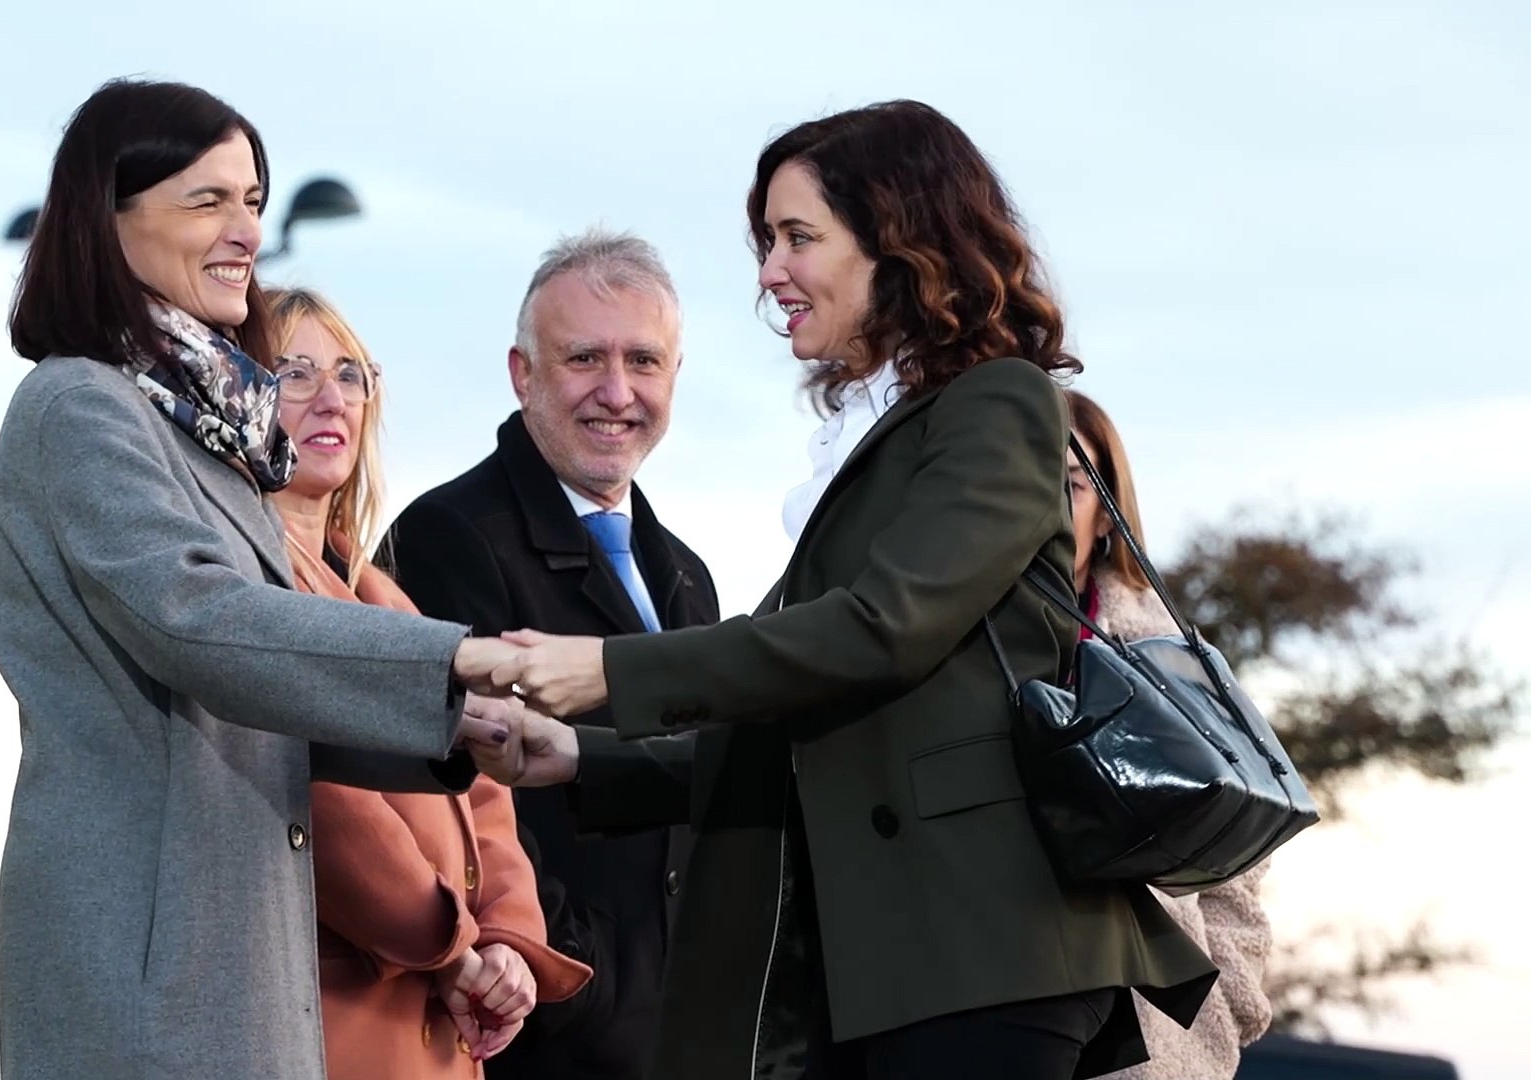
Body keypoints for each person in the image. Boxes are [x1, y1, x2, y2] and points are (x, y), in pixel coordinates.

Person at [468, 101, 1220, 1080]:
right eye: (765, 241)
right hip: (886, 966)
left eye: (796, 238)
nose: (769, 271)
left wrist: (606, 670)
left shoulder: (1001, 403)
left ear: (894, 239)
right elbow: (786, 715)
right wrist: (578, 758)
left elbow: (879, 632)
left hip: (984, 951)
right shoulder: (871, 442)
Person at [0, 78, 516, 1080]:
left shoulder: (218, 440)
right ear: (107, 221)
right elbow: (203, 622)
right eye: (209, 201)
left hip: (236, 956)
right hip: (153, 970)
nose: (247, 234)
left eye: (255, 202)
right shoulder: (77, 407)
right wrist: (463, 665)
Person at [385, 228, 721, 1080]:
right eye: (585, 359)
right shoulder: (447, 536)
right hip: (545, 1030)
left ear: (675, 377)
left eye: (644, 361)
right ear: (522, 373)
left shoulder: (687, 574)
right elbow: (455, 796)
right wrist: (575, 976)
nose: (617, 392)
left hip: (691, 1032)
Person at [261, 286, 591, 1078]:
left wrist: (510, 937)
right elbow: (325, 802)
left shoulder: (387, 595)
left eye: (350, 374)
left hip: (445, 1021)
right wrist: (454, 947)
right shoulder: (252, 588)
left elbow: (484, 784)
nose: (330, 397)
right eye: (295, 374)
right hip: (339, 1013)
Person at [1066, 389, 1274, 1080]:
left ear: (1105, 513)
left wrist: (1229, 1005)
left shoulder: (1169, 660)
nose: (1039, 506)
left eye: (1067, 484)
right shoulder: (946, 645)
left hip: (1153, 1039)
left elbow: (1242, 853)